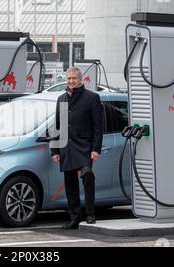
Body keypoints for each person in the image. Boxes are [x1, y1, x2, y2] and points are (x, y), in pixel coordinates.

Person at [51, 67, 103, 229]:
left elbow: (98, 127)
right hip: (67, 147)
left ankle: (90, 214)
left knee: (87, 176)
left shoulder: (92, 98)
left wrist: (96, 149)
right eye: (69, 79)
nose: (71, 81)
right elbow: (57, 126)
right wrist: (55, 150)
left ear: (80, 79)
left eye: (74, 78)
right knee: (70, 184)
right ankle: (74, 217)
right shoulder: (62, 99)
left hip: (85, 147)